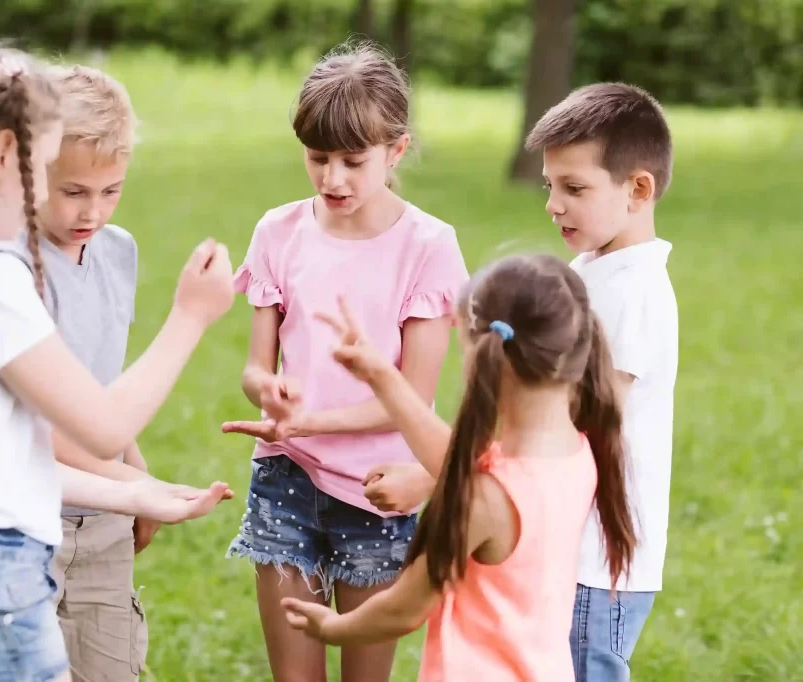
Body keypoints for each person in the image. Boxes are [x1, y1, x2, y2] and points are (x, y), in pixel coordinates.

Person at [0, 45, 234, 682]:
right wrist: (191, 315)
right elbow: (102, 426)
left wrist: (137, 490)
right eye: (45, 168)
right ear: (6, 157)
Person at [221, 41, 467, 682]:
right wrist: (268, 393)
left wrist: (304, 423)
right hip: (285, 482)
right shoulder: (277, 232)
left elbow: (407, 398)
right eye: (317, 158)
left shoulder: (428, 247)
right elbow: (256, 368)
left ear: (396, 150)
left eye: (354, 162)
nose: (333, 179)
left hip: (379, 489)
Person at [282, 253, 636, 682]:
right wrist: (382, 376)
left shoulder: (486, 498)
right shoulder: (576, 451)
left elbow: (404, 608)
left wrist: (333, 627)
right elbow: (465, 465)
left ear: (482, 354)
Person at [0, 62, 156, 680]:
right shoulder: (7, 267)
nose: (94, 211)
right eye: (73, 191)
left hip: (104, 512)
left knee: (110, 664)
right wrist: (133, 486)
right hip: (27, 513)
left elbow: (97, 386)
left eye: (111, 190)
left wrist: (134, 475)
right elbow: (38, 417)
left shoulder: (119, 253)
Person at [525, 82, 678, 681]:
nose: (553, 204)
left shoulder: (634, 291)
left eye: (575, 188)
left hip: (600, 560)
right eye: (550, 186)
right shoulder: (594, 270)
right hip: (568, 543)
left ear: (638, 189)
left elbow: (585, 409)